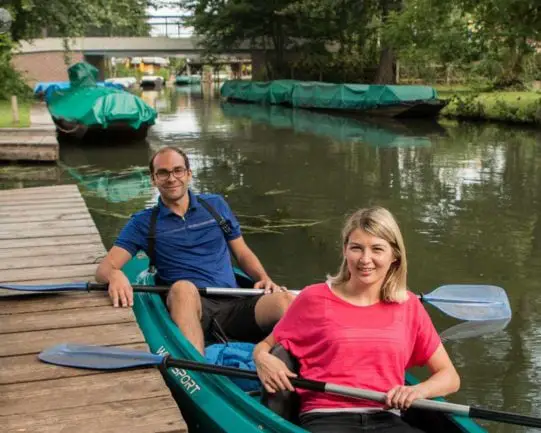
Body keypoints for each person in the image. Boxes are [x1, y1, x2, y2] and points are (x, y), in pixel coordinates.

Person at [254, 207, 460, 433]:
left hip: (386, 419)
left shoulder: (409, 306)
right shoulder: (313, 298)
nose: (365, 259)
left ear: (394, 256)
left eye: (377, 249)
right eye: (356, 248)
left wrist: (418, 391)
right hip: (327, 418)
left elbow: (449, 377)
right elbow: (265, 345)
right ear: (345, 250)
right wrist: (262, 358)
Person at [96, 146, 294, 355]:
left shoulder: (215, 206)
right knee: (183, 288)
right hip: (191, 306)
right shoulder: (143, 223)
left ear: (189, 174)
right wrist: (115, 274)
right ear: (154, 179)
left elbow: (242, 252)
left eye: (178, 170)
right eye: (163, 173)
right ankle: (198, 368)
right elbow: (104, 269)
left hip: (235, 301)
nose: (171, 178)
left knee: (286, 300)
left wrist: (263, 277)